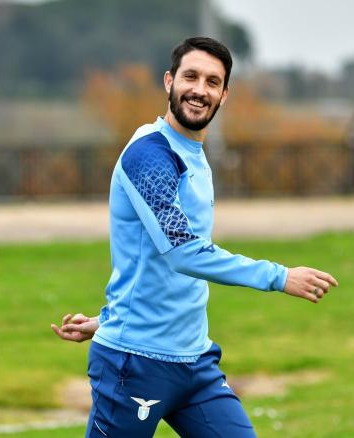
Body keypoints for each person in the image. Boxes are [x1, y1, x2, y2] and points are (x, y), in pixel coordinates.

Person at [51, 36, 339, 437]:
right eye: (190, 77)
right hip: (135, 364)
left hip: (195, 363)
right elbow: (183, 253)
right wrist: (278, 276)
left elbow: (156, 266)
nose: (199, 90)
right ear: (169, 82)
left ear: (224, 95)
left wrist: (107, 320)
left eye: (212, 82)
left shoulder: (193, 153)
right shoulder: (149, 156)